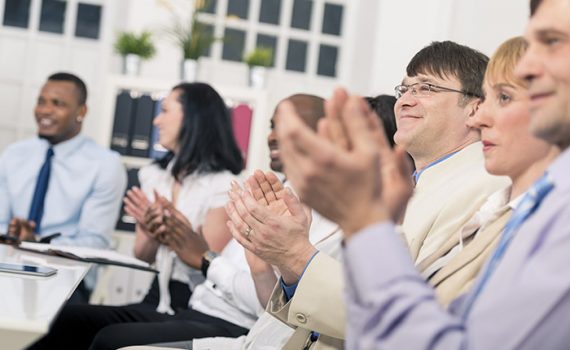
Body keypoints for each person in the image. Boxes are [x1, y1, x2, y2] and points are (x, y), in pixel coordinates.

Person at [276, 0, 570, 347]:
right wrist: (275, 257)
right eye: (405, 89)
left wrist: (360, 227)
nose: (403, 100)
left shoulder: (496, 190)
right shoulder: (521, 200)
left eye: (552, 41)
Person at [29, 82, 244, 350]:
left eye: (165, 111)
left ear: (193, 117)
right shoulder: (155, 176)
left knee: (108, 337)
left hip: (195, 301)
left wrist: (179, 234)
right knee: (63, 318)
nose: (156, 120)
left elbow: (209, 271)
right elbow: (143, 255)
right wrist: (154, 232)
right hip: (156, 297)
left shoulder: (222, 185)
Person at [419, 36, 559, 306]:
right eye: (487, 98)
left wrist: (369, 227)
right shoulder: (492, 209)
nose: (478, 118)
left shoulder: (549, 233)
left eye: (504, 97)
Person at [0, 72, 127, 302]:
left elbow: (94, 241)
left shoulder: (106, 165)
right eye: (41, 102)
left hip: (66, 275)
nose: (45, 111)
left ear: (81, 112)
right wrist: (12, 236)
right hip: (7, 267)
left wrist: (36, 245)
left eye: (57, 104)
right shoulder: (13, 155)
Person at [393, 41, 509, 264]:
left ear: (475, 109)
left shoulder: (485, 186)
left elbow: (422, 291)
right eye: (404, 89)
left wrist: (304, 257)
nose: (404, 102)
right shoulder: (403, 186)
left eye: (426, 88)